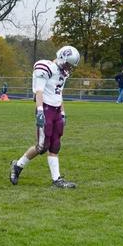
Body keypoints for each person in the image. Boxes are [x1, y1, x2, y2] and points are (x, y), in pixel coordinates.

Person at [10, 46, 80, 189]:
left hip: (56, 110)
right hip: (46, 109)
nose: (69, 68)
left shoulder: (62, 73)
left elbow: (59, 93)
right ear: (62, 58)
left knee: (55, 145)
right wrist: (40, 111)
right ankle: (17, 166)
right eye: (68, 64)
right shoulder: (46, 67)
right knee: (42, 146)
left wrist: (63, 112)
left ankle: (57, 180)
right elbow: (39, 92)